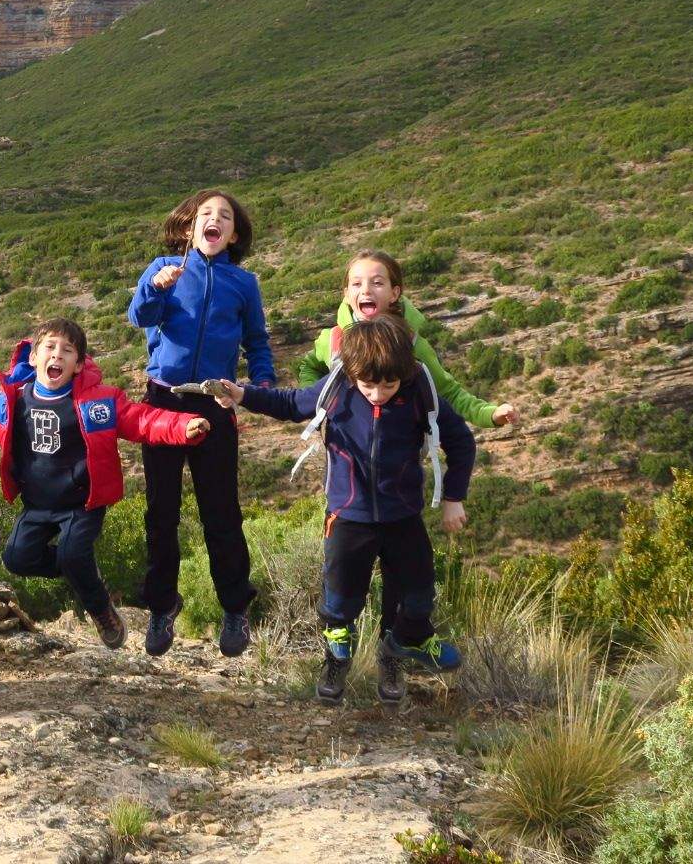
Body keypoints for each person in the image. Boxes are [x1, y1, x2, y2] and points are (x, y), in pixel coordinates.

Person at [218, 315, 476, 704]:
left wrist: (453, 497)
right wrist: (243, 394)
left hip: (403, 515)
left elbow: (461, 442)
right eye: (368, 385)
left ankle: (402, 645)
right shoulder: (338, 386)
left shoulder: (418, 390)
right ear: (353, 373)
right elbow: (291, 403)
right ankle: (336, 658)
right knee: (339, 600)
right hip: (348, 515)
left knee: (420, 596)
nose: (377, 394)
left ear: (403, 373)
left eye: (388, 385)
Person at [0, 318, 208, 649]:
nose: (57, 354)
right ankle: (81, 567)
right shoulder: (13, 401)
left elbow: (142, 420)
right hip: (37, 504)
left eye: (67, 350)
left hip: (82, 503)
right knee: (17, 559)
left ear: (79, 364)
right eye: (50, 347)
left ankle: (101, 610)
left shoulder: (98, 401)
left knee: (74, 554)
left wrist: (184, 426)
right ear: (33, 357)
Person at [126, 188, 273, 659]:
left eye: (225, 216)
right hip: (162, 403)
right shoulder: (163, 267)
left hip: (214, 403)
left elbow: (257, 342)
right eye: (206, 214)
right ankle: (161, 606)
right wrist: (156, 287)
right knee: (161, 513)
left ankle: (235, 607)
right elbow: (139, 316)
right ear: (189, 227)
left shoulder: (243, 283)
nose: (215, 220)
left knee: (221, 512)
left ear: (234, 234)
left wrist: (261, 385)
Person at [294, 249, 518, 429]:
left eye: (377, 283)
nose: (366, 290)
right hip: (344, 465)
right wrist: (318, 403)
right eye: (357, 283)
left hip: (402, 464)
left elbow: (448, 393)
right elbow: (309, 367)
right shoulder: (333, 340)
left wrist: (490, 414)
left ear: (395, 293)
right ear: (346, 294)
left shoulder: (411, 345)